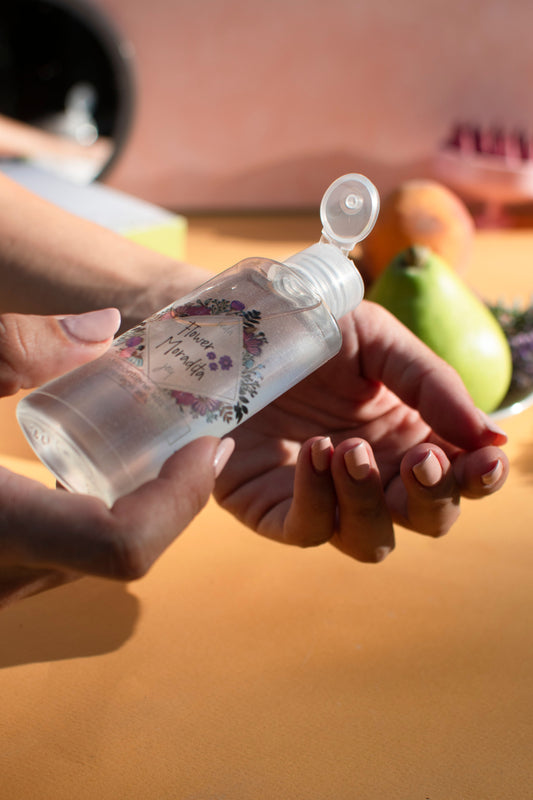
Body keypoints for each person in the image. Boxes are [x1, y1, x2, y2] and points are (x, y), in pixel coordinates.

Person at [0, 173, 508, 607]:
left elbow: (215, 341)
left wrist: (168, 302)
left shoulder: (322, 337)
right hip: (56, 413)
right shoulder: (259, 275)